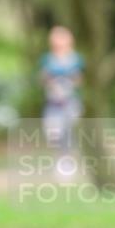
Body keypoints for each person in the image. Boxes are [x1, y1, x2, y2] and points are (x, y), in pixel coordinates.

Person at [39, 25, 84, 163]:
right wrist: (52, 83)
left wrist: (68, 83)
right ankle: (62, 157)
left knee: (68, 130)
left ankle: (67, 161)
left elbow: (80, 79)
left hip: (71, 101)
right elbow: (42, 78)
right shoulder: (47, 59)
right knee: (52, 132)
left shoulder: (76, 59)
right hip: (53, 101)